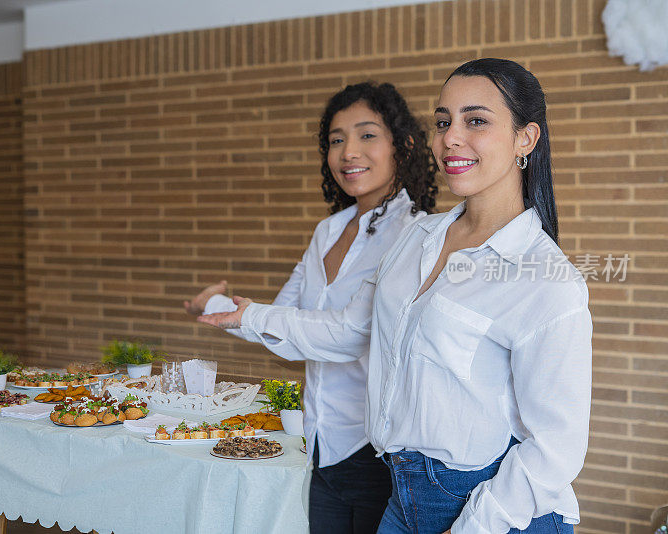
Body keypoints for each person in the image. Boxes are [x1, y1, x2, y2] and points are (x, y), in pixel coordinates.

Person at [198, 58, 592, 534]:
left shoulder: (546, 276)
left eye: (476, 121)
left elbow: (556, 446)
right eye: (444, 121)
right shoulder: (416, 240)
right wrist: (243, 314)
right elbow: (351, 329)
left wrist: (475, 527)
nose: (450, 137)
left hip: (494, 510)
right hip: (404, 495)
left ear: (525, 139)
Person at [185, 81, 438, 534]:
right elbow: (286, 329)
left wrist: (248, 314)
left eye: (366, 135)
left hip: (376, 451)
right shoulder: (328, 231)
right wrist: (217, 305)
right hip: (318, 441)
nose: (348, 152)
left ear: (404, 145)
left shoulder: (415, 232)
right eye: (336, 140)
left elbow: (350, 334)